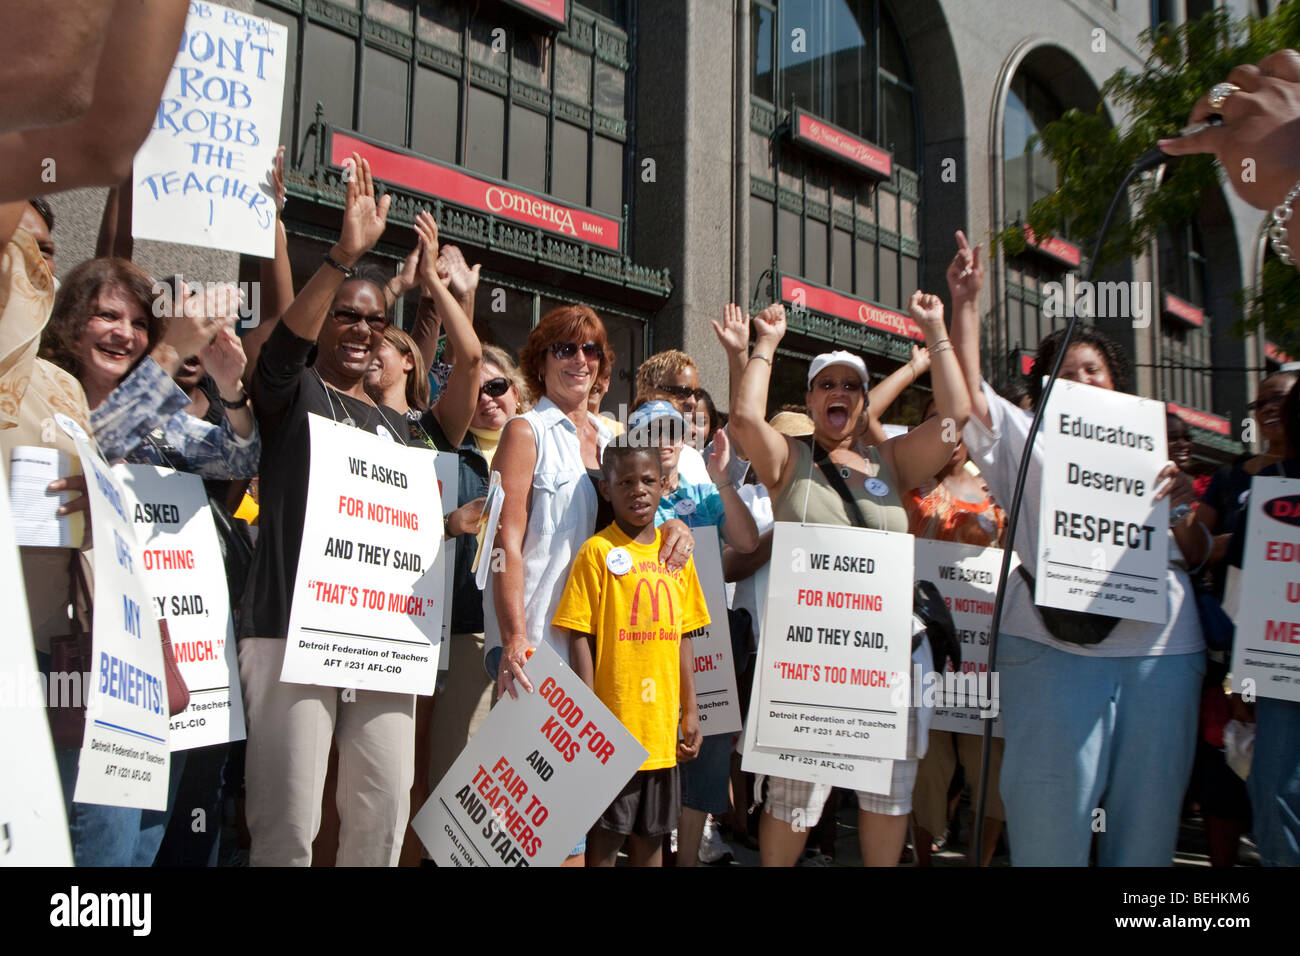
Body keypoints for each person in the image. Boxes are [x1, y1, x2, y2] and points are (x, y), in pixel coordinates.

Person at [237, 155, 474, 866]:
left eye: (375, 320)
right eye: (347, 314)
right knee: (289, 821)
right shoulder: (294, 395)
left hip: (381, 643)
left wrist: (433, 285)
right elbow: (278, 350)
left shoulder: (406, 429)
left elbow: (468, 366)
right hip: (289, 631)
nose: (363, 329)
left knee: (382, 809)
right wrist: (344, 256)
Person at [947, 229, 1208, 866]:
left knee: (1145, 839)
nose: (1082, 380)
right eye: (1065, 375)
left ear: (1117, 383)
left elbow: (1200, 554)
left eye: (1093, 369)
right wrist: (966, 306)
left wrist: (1178, 512)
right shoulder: (1022, 439)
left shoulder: (1157, 453)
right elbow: (966, 398)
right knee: (1048, 826)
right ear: (1041, 398)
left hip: (1162, 653)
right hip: (1049, 648)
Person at [724, 292, 971, 867]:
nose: (840, 393)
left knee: (887, 799)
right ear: (810, 400)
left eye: (852, 386)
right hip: (809, 662)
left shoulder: (894, 461)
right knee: (792, 802)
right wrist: (765, 345)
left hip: (887, 659)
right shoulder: (789, 460)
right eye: (826, 384)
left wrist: (935, 331)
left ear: (863, 403)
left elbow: (956, 423)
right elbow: (742, 419)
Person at [488, 307, 694, 865]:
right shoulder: (524, 431)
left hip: (609, 664)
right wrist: (512, 639)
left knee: (587, 826)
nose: (580, 360)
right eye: (564, 349)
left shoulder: (615, 436)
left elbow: (646, 514)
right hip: (541, 652)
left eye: (592, 351)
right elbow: (504, 543)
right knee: (538, 832)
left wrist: (675, 526)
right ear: (540, 359)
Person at [0, 202, 103, 864]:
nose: (40, 266)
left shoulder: (63, 387)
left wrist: (99, 512)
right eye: (23, 248)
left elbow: (85, 520)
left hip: (45, 660)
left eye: (48, 251)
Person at [555, 438, 710, 867]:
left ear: (664, 485)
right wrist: (587, 705)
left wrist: (691, 710)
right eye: (625, 481)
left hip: (660, 731)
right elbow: (579, 634)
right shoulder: (597, 553)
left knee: (653, 840)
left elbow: (683, 635)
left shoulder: (677, 556)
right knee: (605, 839)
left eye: (647, 480)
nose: (638, 490)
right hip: (613, 728)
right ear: (606, 489)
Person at [625, 398, 758, 865]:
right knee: (659, 759)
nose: (664, 440)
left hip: (709, 649)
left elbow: (745, 541)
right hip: (653, 649)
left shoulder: (705, 496)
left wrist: (723, 479)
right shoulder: (630, 494)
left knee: (706, 760)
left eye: (672, 431)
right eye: (651, 430)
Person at [903, 398, 1008, 866]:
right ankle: (923, 857)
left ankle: (979, 861)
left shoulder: (998, 494)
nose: (947, 433)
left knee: (989, 767)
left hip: (984, 658)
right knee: (926, 765)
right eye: (935, 423)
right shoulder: (906, 490)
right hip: (924, 651)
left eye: (956, 423)